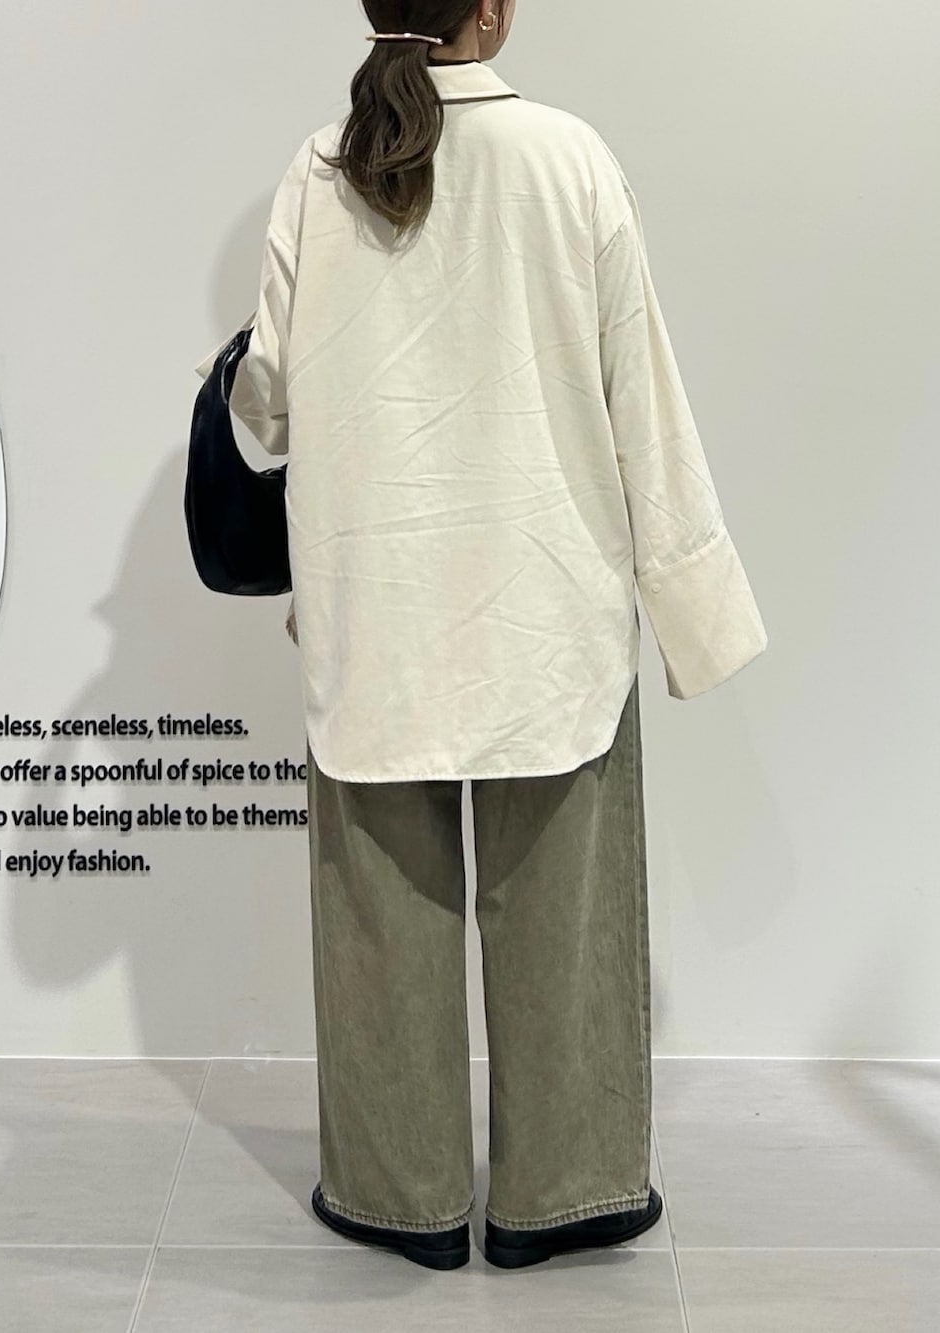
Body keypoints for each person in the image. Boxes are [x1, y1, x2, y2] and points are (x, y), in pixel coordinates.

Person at [197, 0, 767, 1271]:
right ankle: (564, 1195)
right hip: (546, 611)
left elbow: (267, 404)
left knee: (379, 932)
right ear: (492, 13)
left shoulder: (321, 167)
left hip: (375, 604)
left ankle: (395, 1198)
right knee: (562, 924)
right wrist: (695, 610)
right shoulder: (570, 157)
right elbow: (642, 396)